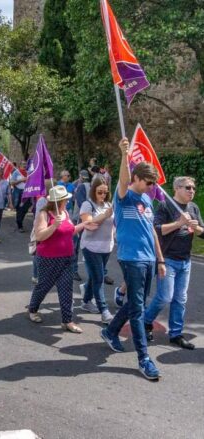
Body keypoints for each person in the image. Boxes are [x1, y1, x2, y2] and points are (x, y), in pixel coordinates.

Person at [100, 138, 166, 381]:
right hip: (132, 258)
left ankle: (110, 330)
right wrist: (124, 155)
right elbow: (123, 179)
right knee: (138, 309)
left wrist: (160, 260)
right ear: (136, 178)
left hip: (149, 259)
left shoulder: (147, 200)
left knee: (136, 303)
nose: (150, 187)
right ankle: (144, 359)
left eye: (152, 184)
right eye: (148, 182)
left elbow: (151, 231)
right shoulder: (123, 196)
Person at [28, 185, 98, 333]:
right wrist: (54, 225)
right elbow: (40, 236)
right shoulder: (44, 214)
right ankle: (33, 309)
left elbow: (71, 231)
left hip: (67, 258)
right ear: (58, 201)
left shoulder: (65, 212)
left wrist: (84, 225)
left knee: (66, 289)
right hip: (48, 259)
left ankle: (67, 321)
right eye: (65, 199)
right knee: (43, 286)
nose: (67, 201)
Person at [144, 176, 204, 349]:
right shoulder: (165, 206)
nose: (192, 191)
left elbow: (202, 231)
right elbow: (157, 230)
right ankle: (146, 321)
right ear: (176, 188)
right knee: (165, 296)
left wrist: (195, 227)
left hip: (185, 260)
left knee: (180, 298)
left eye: (193, 188)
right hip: (167, 258)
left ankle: (176, 333)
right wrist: (179, 223)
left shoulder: (193, 207)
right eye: (187, 187)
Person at [79, 176, 115, 323]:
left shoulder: (108, 205)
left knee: (95, 276)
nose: (103, 195)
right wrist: (103, 216)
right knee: (99, 278)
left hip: (107, 246)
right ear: (93, 191)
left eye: (105, 192)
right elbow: (87, 223)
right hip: (91, 247)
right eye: (99, 192)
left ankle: (86, 301)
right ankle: (104, 310)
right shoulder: (87, 205)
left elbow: (113, 225)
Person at [72, 169, 91, 281]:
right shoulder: (83, 187)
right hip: (80, 220)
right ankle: (73, 270)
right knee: (77, 247)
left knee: (80, 247)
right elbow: (81, 203)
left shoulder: (82, 186)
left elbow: (79, 202)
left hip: (82, 219)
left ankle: (74, 271)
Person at [10, 161, 31, 232]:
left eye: (26, 164)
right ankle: (20, 225)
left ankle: (19, 221)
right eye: (23, 164)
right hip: (18, 192)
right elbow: (12, 182)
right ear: (20, 165)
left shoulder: (28, 173)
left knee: (25, 208)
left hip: (26, 193)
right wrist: (21, 180)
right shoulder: (16, 172)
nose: (25, 165)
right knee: (19, 208)